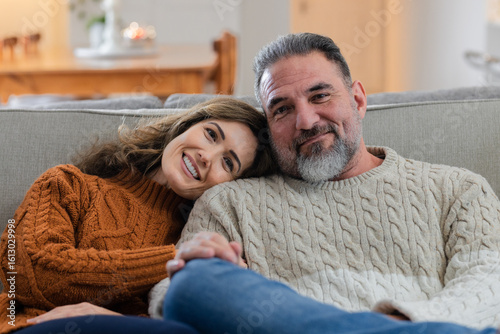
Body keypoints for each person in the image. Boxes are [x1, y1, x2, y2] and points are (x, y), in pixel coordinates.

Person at [149, 32, 500, 332]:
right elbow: (174, 298)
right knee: (193, 284)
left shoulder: (457, 188)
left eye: (320, 96)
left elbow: (489, 285)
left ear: (358, 100)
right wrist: (195, 267)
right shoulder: (229, 202)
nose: (305, 120)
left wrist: (398, 323)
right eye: (282, 109)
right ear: (269, 131)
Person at [0, 97, 276, 333]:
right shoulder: (67, 185)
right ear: (186, 126)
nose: (207, 156)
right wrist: (176, 259)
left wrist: (112, 320)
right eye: (211, 134)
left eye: (228, 162)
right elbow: (31, 276)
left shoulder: (195, 236)